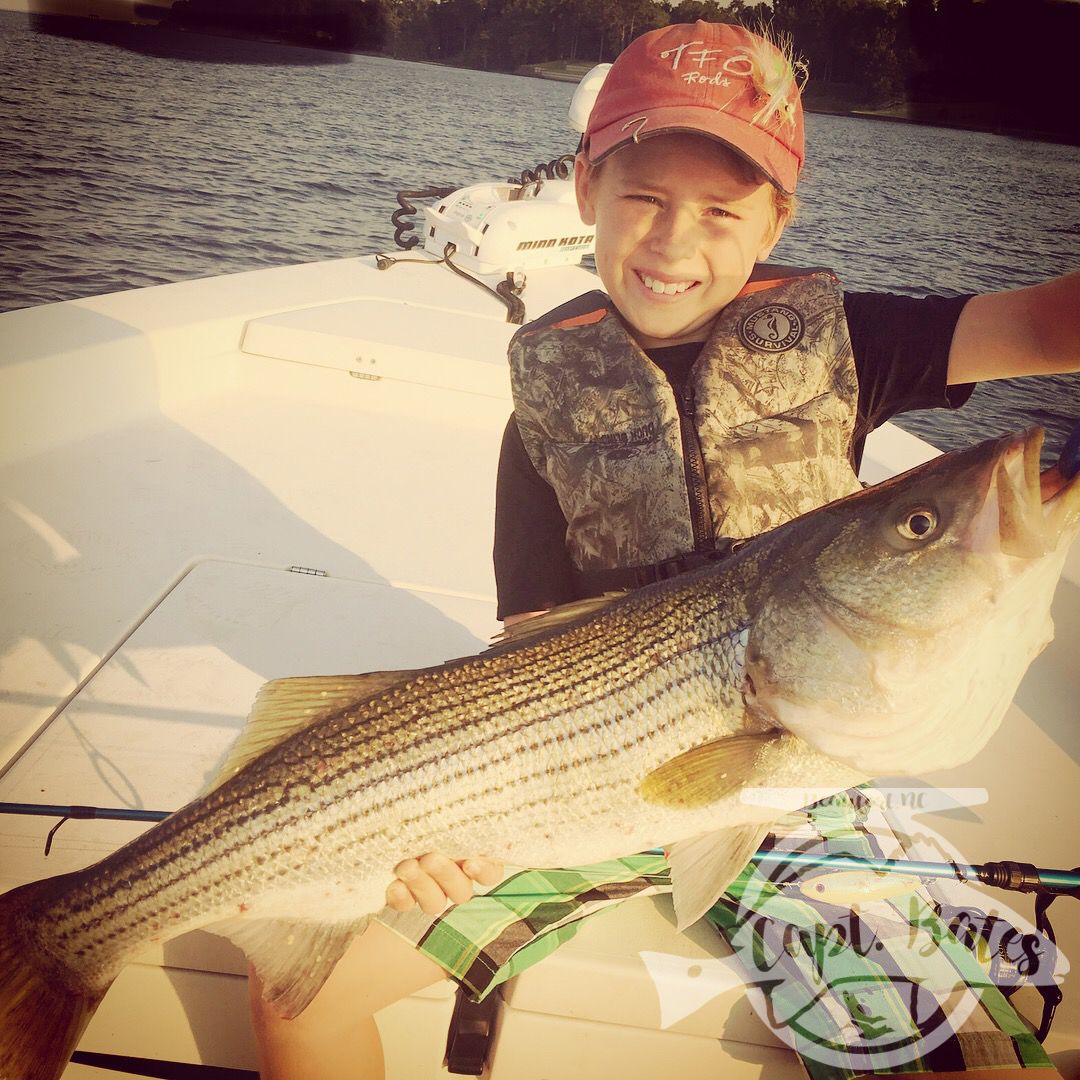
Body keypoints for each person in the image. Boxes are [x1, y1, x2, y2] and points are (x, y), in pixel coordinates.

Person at [251, 21, 1079, 1079]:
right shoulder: (543, 412)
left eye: (723, 212)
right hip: (570, 790)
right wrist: (449, 825)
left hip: (804, 779)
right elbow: (531, 651)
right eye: (643, 198)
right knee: (298, 1000)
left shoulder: (855, 343)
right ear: (588, 187)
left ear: (778, 216)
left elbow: (1053, 325)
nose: (673, 244)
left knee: (968, 1062)